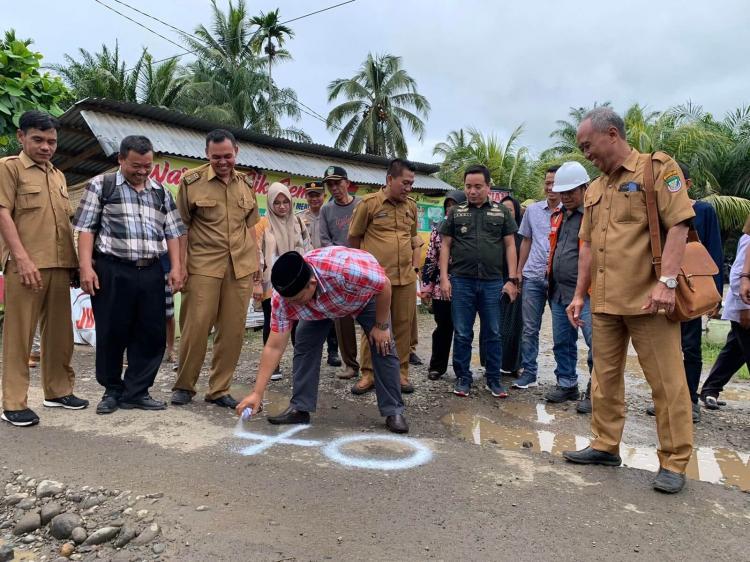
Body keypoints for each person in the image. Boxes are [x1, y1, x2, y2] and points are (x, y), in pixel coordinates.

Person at [563, 107, 696, 494]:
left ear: (611, 134)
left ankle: (674, 461)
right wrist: (578, 294)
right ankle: (605, 445)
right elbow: (586, 246)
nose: (586, 154)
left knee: (666, 383)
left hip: (648, 299)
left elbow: (680, 226)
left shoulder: (655, 169)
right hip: (603, 301)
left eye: (588, 146)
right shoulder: (595, 188)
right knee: (603, 379)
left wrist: (667, 282)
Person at [235, 248, 409, 434]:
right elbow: (274, 347)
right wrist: (257, 393)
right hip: (320, 308)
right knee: (304, 343)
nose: (293, 305)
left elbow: (384, 285)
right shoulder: (283, 298)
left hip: (361, 298)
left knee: (383, 345)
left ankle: (394, 410)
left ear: (312, 283)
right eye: (290, 301)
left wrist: (381, 326)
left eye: (297, 300)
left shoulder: (346, 270)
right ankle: (300, 409)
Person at [74, 135, 185, 414]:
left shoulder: (160, 192)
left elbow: (172, 232)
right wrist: (86, 267)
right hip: (112, 270)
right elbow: (86, 228)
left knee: (151, 333)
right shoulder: (102, 185)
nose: (142, 171)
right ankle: (112, 391)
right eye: (136, 165)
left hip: (150, 271)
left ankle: (137, 391)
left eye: (147, 166)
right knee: (112, 332)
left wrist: (177, 267)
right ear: (121, 159)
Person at [0, 110, 88, 426]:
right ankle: (13, 403)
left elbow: (64, 223)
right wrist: (21, 258)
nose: (46, 147)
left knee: (60, 336)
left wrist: (75, 264)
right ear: (21, 137)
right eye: (38, 139)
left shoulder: (58, 175)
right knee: (19, 336)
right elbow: (3, 214)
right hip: (26, 265)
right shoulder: (9, 169)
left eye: (51, 141)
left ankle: (57, 391)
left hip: (60, 265)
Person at [171, 129, 260, 409]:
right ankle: (185, 386)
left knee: (233, 331)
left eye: (228, 156)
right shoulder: (191, 182)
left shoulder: (246, 183)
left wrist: (257, 263)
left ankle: (219, 389)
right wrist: (180, 266)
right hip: (203, 266)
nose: (223, 162)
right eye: (216, 157)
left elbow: (251, 227)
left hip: (240, 267)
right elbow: (180, 227)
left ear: (236, 152)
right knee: (196, 328)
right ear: (207, 154)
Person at [645, 162, 723, 422]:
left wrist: (715, 294)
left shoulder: (703, 210)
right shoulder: (656, 211)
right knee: (664, 345)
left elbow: (712, 251)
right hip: (661, 287)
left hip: (689, 287)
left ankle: (689, 400)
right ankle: (666, 399)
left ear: (687, 184)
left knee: (690, 345)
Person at [439, 165, 520, 398]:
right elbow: (445, 245)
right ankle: (463, 378)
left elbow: (510, 245)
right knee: (463, 332)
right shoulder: (456, 212)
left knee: (493, 332)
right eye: (468, 187)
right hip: (462, 281)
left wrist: (512, 279)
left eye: (478, 186)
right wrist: (444, 278)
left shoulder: (501, 213)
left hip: (492, 282)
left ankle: (493, 379)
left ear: (488, 186)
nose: (472, 191)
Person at [348, 159, 422, 394]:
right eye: (405, 183)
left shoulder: (411, 206)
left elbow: (413, 238)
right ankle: (368, 373)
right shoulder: (368, 204)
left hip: (405, 279)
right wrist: (360, 272)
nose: (409, 188)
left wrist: (415, 268)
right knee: (372, 325)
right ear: (390, 179)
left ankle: (400, 373)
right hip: (376, 280)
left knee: (402, 326)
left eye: (411, 183)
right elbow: (354, 238)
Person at [545, 162, 593, 412]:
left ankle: (597, 392)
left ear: (585, 188)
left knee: (597, 344)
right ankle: (567, 383)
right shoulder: (560, 216)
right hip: (559, 291)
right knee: (562, 341)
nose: (565, 197)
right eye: (562, 192)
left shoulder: (594, 216)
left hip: (588, 294)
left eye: (571, 192)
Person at [255, 182, 312, 380]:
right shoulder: (263, 224)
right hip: (272, 282)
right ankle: (274, 366)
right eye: (277, 203)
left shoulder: (298, 222)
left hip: (298, 279)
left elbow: (308, 248)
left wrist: (310, 275)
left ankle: (300, 363)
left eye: (285, 202)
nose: (281, 206)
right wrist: (256, 282)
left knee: (299, 323)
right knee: (272, 323)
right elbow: (257, 253)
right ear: (270, 203)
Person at [513, 166, 561, 389]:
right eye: (547, 182)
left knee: (562, 331)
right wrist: (518, 273)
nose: (550, 188)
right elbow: (526, 241)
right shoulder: (532, 211)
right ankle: (529, 372)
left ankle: (565, 379)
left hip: (559, 279)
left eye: (554, 183)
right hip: (532, 276)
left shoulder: (571, 211)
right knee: (530, 328)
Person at [699, 216, 749, 409]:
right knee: (737, 349)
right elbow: (738, 273)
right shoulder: (748, 239)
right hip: (744, 306)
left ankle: (710, 389)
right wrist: (744, 308)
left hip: (743, 306)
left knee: (735, 351)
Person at [319, 166, 362, 380]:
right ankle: (351, 364)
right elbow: (325, 241)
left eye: (338, 183)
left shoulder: (361, 204)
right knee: (342, 319)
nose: (334, 188)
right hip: (339, 270)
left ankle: (373, 366)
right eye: (330, 185)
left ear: (347, 182)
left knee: (369, 317)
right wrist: (341, 260)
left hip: (362, 267)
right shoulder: (326, 210)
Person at [420, 190, 467, 380]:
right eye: (447, 206)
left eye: (454, 205)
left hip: (465, 287)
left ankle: (461, 370)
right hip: (442, 288)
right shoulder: (438, 228)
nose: (450, 209)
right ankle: (437, 367)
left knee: (463, 330)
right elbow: (431, 258)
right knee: (443, 328)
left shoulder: (470, 228)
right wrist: (427, 287)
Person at [297, 180, 340, 367]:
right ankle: (309, 353)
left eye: (317, 195)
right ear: (306, 197)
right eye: (310, 195)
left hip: (326, 270)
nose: (314, 198)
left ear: (324, 196)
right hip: (307, 271)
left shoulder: (330, 214)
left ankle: (333, 352)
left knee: (331, 313)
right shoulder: (299, 218)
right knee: (307, 313)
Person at [499, 194, 524, 376]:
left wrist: (515, 279)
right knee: (495, 326)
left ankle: (514, 365)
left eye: (510, 210)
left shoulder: (522, 236)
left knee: (515, 327)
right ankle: (493, 363)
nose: (506, 213)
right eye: (503, 210)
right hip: (495, 284)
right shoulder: (493, 233)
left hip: (516, 284)